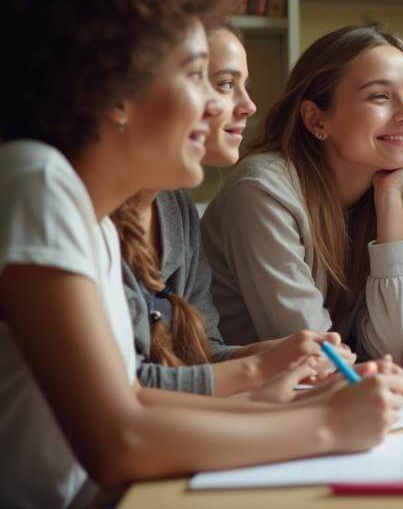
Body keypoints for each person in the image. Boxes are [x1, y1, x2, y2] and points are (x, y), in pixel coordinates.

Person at [0, 0, 403, 509]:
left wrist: (302, 404)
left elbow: (134, 400)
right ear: (111, 85)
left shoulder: (91, 218)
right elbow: (118, 438)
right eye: (196, 75)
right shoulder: (36, 182)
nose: (215, 108)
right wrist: (327, 427)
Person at [116, 27, 353, 398]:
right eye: (224, 83)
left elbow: (199, 354)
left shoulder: (174, 204)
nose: (248, 105)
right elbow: (127, 390)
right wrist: (258, 369)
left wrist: (265, 355)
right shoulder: (75, 205)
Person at [202, 25, 403, 358]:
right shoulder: (262, 191)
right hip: (251, 399)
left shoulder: (398, 193)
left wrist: (389, 199)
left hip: (333, 393)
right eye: (380, 96)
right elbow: (315, 354)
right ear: (317, 120)